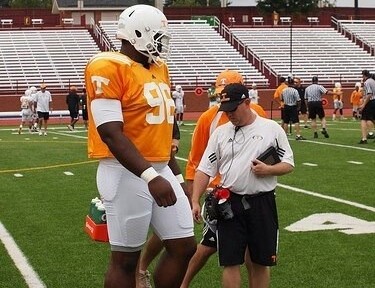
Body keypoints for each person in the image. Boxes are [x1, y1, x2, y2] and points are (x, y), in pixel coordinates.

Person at [84, 5, 196, 288]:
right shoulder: (107, 67)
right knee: (126, 260)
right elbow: (110, 133)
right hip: (126, 172)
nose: (162, 44)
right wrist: (150, 176)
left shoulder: (159, 68)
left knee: (184, 246)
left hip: (159, 169)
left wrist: (176, 175)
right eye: (158, 36)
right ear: (138, 34)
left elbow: (159, 134)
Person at [138, 70, 267, 288]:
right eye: (220, 94)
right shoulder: (209, 118)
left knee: (247, 252)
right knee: (205, 244)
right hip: (218, 192)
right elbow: (196, 159)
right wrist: (192, 194)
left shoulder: (259, 114)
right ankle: (167, 278)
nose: (222, 99)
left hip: (252, 190)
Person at [192, 83, 294, 288]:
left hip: (262, 202)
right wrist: (195, 199)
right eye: (226, 110)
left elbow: (288, 164)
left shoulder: (271, 129)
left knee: (260, 262)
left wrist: (269, 170)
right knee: (230, 261)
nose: (229, 115)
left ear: (247, 103)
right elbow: (204, 169)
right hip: (229, 203)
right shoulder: (221, 133)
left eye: (233, 109)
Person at [358, 70, 375, 144]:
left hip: (370, 102)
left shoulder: (367, 82)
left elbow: (369, 94)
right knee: (371, 119)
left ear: (364, 75)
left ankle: (364, 138)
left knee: (363, 119)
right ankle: (370, 133)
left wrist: (363, 104)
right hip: (374, 101)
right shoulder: (373, 81)